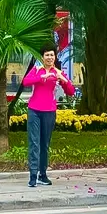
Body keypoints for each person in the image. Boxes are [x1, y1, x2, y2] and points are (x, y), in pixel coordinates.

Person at [21, 47, 74, 187]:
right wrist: (41, 77)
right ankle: (33, 175)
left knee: (44, 144)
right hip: (34, 110)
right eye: (47, 55)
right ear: (42, 57)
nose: (49, 57)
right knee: (34, 143)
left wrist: (63, 79)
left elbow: (71, 91)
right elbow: (25, 81)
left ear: (55, 57)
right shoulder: (37, 69)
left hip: (49, 111)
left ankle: (42, 175)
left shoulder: (58, 73)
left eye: (52, 55)